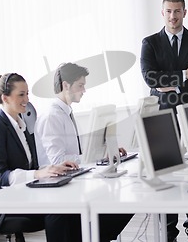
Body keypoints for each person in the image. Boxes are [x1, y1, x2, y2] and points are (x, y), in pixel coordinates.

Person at [140, 0, 188, 240]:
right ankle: (168, 229)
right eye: (169, 11)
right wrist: (185, 75)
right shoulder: (150, 43)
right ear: (162, 13)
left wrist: (170, 82)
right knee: (167, 172)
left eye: (178, 11)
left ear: (185, 12)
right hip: (164, 116)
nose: (173, 16)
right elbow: (151, 78)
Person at [34, 62, 133, 242]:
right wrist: (95, 156)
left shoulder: (65, 112)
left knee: (122, 201)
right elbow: (58, 161)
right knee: (117, 205)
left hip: (73, 178)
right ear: (66, 86)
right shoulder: (52, 116)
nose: (84, 90)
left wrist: (104, 152)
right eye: (80, 85)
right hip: (58, 185)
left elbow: (74, 153)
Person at [0, 73, 81, 242]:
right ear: (5, 98)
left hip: (22, 194)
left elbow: (30, 167)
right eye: (21, 94)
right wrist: (37, 174)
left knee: (70, 204)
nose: (27, 99)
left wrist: (52, 168)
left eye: (27, 94)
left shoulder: (22, 125)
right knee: (58, 211)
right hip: (0, 201)